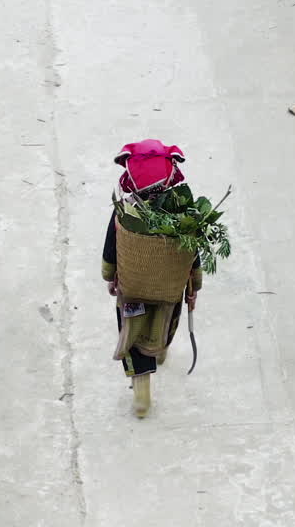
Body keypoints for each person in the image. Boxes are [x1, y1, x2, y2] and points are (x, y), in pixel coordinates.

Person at [101, 139, 202, 417]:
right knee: (165, 321)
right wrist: (194, 285)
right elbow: (193, 254)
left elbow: (111, 248)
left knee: (134, 333)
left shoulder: (125, 213)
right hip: (168, 291)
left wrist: (109, 275)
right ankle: (160, 349)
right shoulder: (184, 216)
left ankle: (142, 390)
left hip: (132, 289)